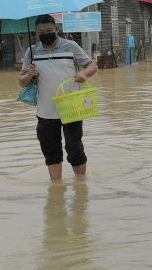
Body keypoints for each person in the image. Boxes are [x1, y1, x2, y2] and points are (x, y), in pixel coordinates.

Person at [18, 14, 98, 180]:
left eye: (49, 30)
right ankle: (56, 187)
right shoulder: (32, 51)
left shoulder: (70, 46)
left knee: (75, 149)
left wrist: (84, 73)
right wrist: (29, 75)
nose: (45, 34)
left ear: (56, 29)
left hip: (72, 109)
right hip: (45, 111)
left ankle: (81, 185)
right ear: (36, 33)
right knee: (51, 152)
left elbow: (92, 65)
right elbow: (22, 82)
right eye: (41, 32)